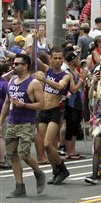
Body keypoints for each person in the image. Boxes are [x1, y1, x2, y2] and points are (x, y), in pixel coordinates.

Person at [0, 54, 46, 197]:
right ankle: (19, 186)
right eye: (13, 64)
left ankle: (38, 172)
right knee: (12, 155)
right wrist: (0, 121)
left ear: (25, 66)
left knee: (24, 153)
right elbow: (7, 102)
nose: (14, 66)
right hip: (13, 122)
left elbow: (41, 104)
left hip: (26, 122)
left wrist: (24, 104)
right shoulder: (12, 81)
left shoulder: (33, 83)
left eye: (17, 64)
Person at [32, 47, 73, 185]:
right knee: (45, 147)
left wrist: (43, 78)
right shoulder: (47, 69)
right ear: (50, 58)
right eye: (54, 58)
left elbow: (60, 87)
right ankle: (56, 171)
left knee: (48, 143)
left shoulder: (65, 75)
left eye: (60, 58)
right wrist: (33, 40)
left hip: (55, 111)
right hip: (43, 112)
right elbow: (33, 58)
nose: (57, 61)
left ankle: (62, 168)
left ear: (63, 59)